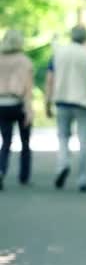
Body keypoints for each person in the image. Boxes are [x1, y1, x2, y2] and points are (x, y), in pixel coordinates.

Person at [45, 26, 86, 192]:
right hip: (83, 103)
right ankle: (84, 178)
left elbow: (50, 79)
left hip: (62, 101)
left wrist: (47, 102)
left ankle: (63, 164)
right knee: (83, 141)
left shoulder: (58, 54)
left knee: (63, 138)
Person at [0, 30, 33, 190]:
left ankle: (1, 170)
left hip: (1, 104)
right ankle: (24, 176)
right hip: (18, 103)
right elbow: (28, 88)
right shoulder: (24, 61)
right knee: (25, 142)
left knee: (5, 142)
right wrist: (29, 109)